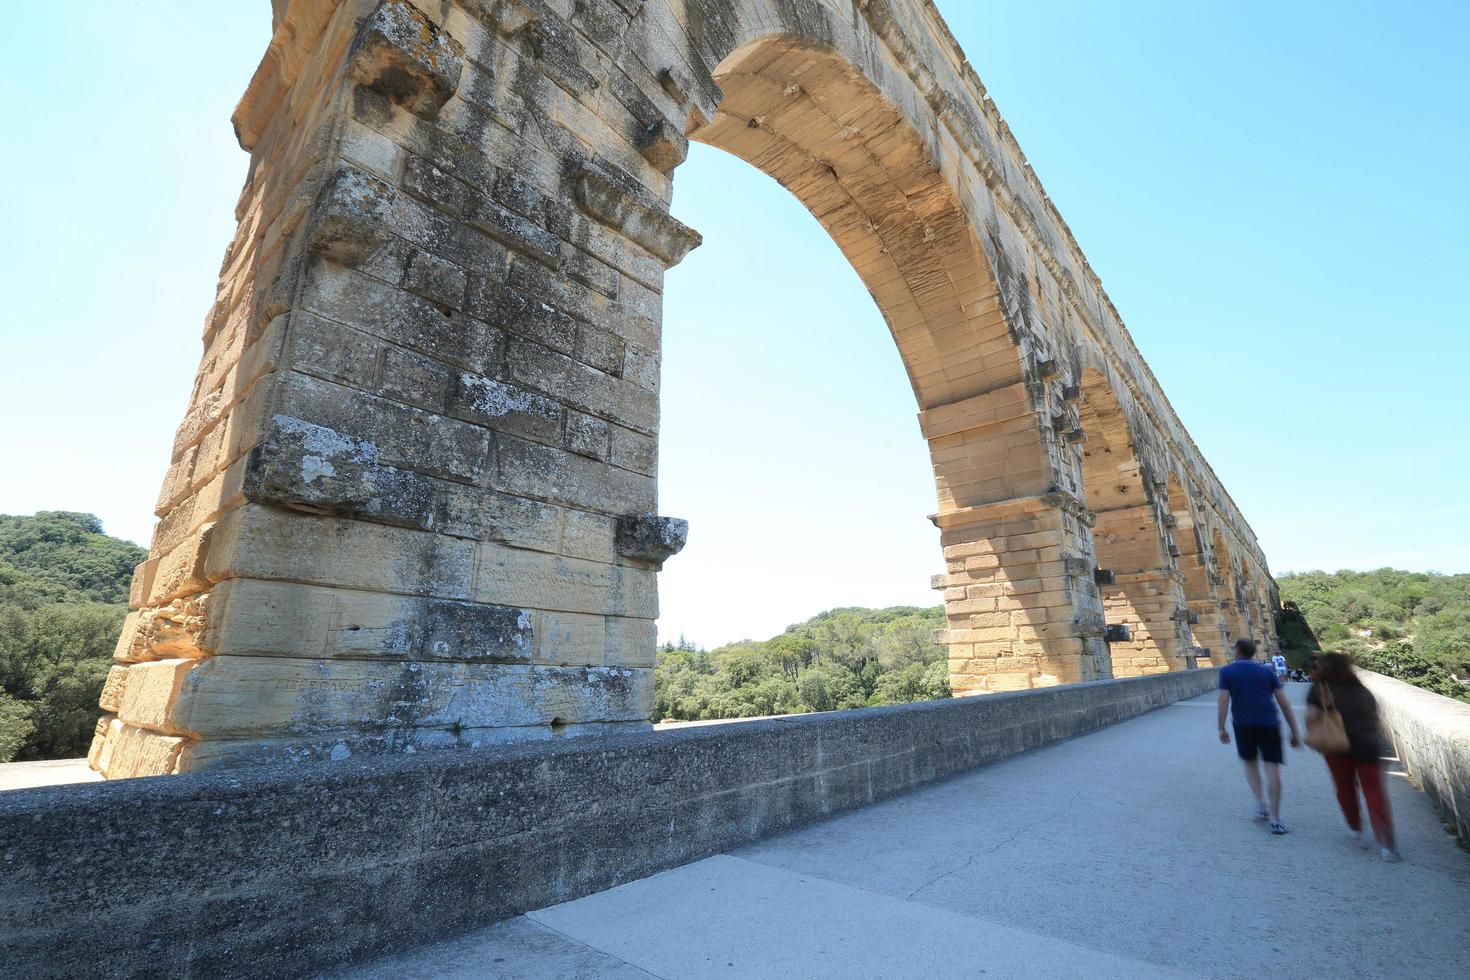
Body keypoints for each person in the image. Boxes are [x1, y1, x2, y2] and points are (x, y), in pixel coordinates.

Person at [1307, 652, 1400, 862]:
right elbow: (1375, 717)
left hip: (1337, 745)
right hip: (1368, 744)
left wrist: (1316, 735)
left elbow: (1311, 717)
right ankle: (1387, 845)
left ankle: (1355, 826)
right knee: (1374, 791)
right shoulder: (1362, 690)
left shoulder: (1320, 689)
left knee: (1345, 787)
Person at [1217, 638, 1302, 834]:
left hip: (1243, 725)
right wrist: (1295, 731)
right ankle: (1276, 818)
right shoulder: (1266, 671)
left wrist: (1221, 727)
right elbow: (1284, 702)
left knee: (1250, 764)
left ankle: (1260, 803)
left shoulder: (1227, 671)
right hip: (1269, 723)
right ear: (1254, 652)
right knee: (1273, 769)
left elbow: (1223, 701)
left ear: (1237, 651)